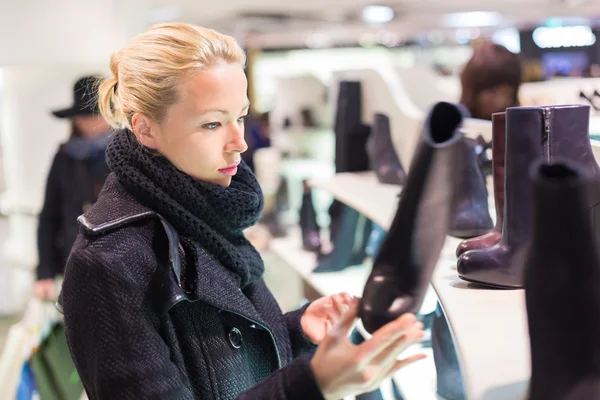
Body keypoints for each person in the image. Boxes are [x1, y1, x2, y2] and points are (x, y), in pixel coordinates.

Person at [57, 23, 426, 399]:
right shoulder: (108, 263)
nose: (239, 143)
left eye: (242, 117)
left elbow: (216, 357)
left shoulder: (205, 210)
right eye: (212, 123)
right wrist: (312, 385)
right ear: (145, 129)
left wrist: (296, 329)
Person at [34, 76, 112, 300]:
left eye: (95, 114)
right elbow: (49, 215)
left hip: (120, 257)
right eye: (85, 115)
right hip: (75, 256)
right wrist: (44, 272)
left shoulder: (127, 155)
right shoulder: (64, 157)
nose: (90, 122)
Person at [460, 40, 522, 121]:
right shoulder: (454, 125)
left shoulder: (516, 123)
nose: (500, 102)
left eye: (507, 93)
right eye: (493, 92)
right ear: (473, 89)